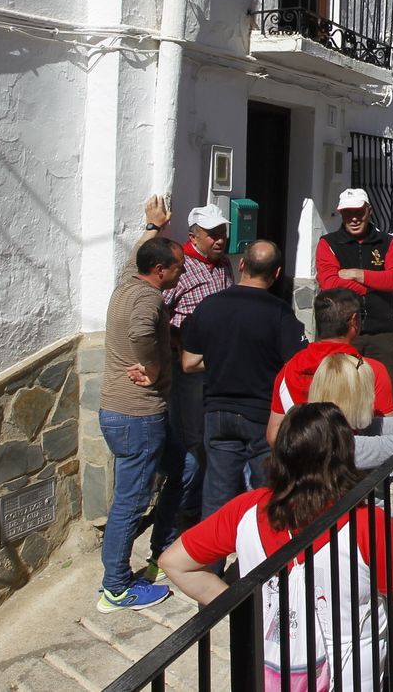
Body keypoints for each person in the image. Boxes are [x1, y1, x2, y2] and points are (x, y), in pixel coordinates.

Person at [158, 403, 393, 689]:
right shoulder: (367, 522)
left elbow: (174, 562)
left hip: (276, 671)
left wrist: (245, 609)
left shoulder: (247, 510)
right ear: (343, 455)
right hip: (352, 672)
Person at [181, 240, 307, 517]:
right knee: (268, 495)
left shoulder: (209, 305)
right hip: (262, 415)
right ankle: (264, 557)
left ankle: (212, 559)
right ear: (276, 274)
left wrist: (223, 360)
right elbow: (296, 364)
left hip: (217, 411)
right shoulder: (280, 312)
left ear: (241, 265)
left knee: (216, 498)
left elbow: (189, 362)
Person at [96, 236, 185, 611]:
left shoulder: (126, 284)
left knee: (185, 465)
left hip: (117, 412)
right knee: (130, 503)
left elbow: (136, 255)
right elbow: (140, 331)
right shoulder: (149, 299)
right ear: (159, 269)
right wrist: (151, 366)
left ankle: (162, 550)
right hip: (138, 416)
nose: (182, 271)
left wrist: (154, 226)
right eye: (178, 266)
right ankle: (116, 588)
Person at [140, 198, 233, 535]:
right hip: (189, 367)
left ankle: (206, 499)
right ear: (194, 236)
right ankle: (186, 509)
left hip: (218, 363)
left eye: (222, 232)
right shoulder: (179, 264)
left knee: (212, 432)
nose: (220, 239)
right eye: (212, 234)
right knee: (192, 437)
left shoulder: (223, 265)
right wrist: (180, 341)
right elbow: (158, 311)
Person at [265, 288, 393, 448]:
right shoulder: (371, 370)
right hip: (352, 467)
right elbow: (384, 433)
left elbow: (274, 435)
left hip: (300, 467)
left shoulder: (289, 369)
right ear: (354, 321)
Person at [316, 188, 393, 382]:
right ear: (341, 213)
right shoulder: (328, 243)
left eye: (359, 212)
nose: (354, 218)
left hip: (381, 331)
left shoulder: (387, 242)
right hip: (341, 332)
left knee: (384, 388)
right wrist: (370, 285)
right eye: (348, 213)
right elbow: (329, 283)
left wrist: (358, 274)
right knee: (342, 390)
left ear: (369, 210)